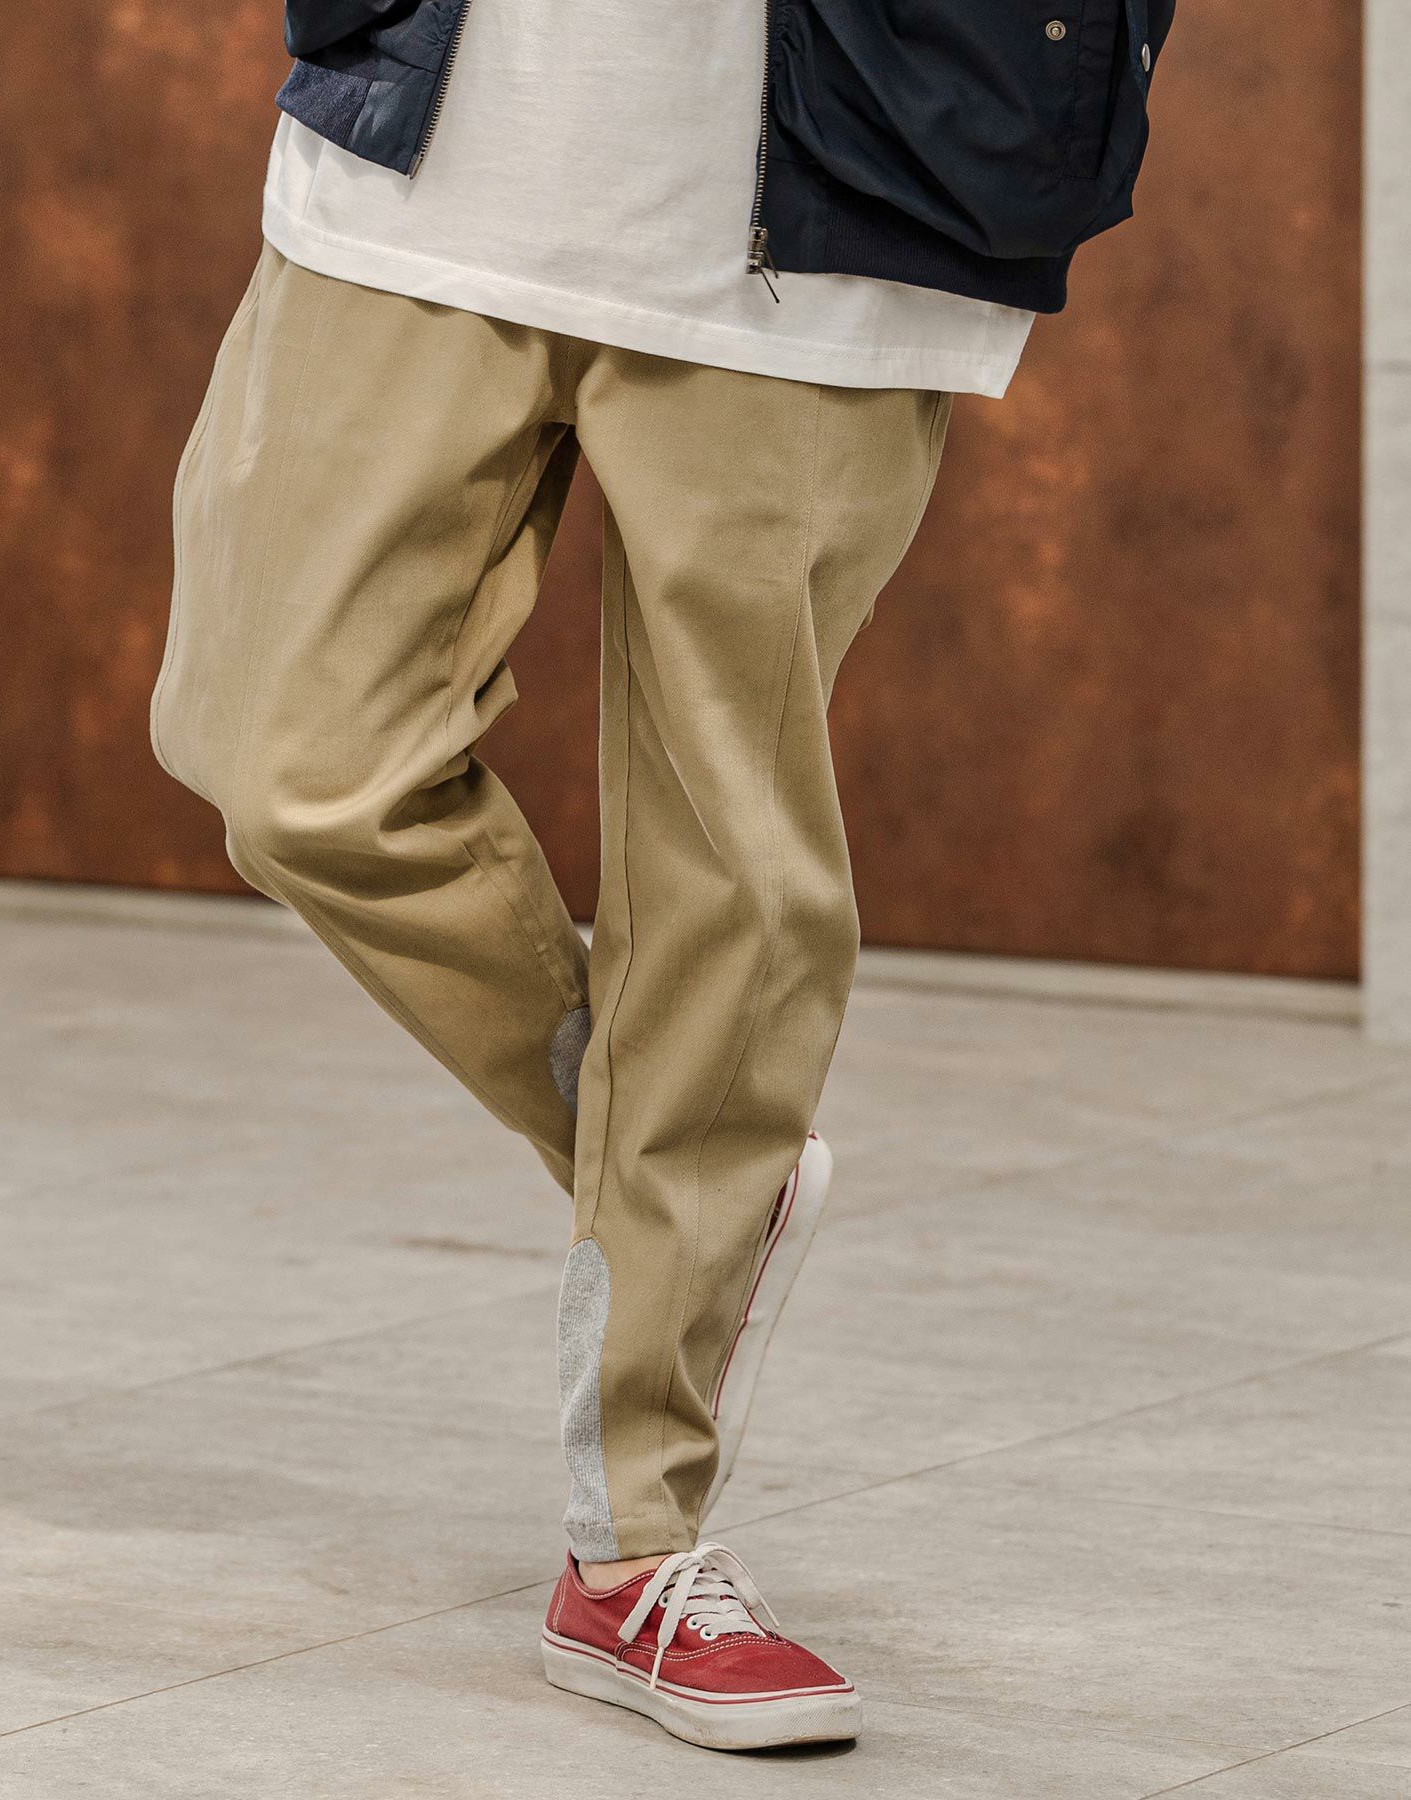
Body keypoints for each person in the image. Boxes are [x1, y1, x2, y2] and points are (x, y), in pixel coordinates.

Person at [152, 0, 1172, 1752]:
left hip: (843, 187)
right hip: (442, 135)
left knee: (729, 862)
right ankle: (693, 1187)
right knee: (290, 757)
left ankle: (635, 1548)